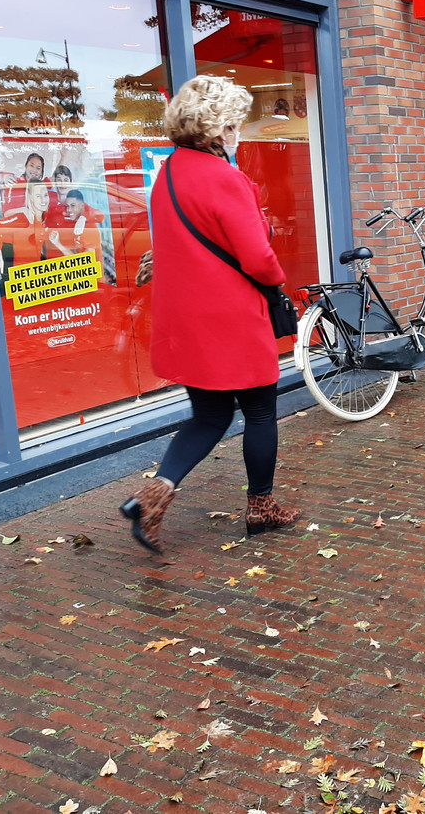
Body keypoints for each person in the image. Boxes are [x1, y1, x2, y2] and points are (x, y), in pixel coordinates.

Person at [119, 74, 300, 554]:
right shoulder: (225, 176)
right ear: (220, 130)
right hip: (232, 316)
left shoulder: (171, 171)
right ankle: (261, 508)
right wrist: (279, 282)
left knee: (209, 414)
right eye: (235, 123)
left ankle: (152, 496)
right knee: (260, 411)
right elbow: (257, 259)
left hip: (189, 317)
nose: (238, 131)